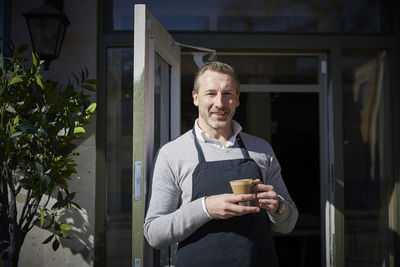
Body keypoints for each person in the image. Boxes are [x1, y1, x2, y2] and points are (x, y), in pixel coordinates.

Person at [144, 61, 298, 267]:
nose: (220, 103)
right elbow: (154, 234)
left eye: (227, 94)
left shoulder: (261, 149)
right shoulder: (173, 153)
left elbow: (288, 225)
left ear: (237, 100)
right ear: (196, 98)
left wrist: (278, 207)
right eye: (210, 93)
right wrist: (204, 208)